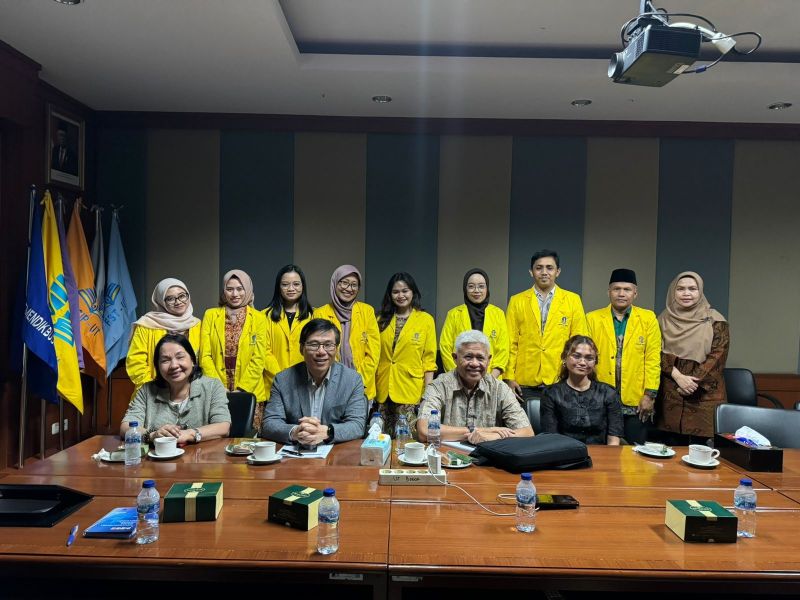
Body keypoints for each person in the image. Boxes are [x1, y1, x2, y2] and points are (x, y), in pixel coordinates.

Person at [261, 318, 368, 445]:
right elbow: (269, 423)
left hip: (335, 455)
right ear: (301, 348)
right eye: (313, 344)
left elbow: (357, 425)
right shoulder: (283, 380)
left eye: (328, 345)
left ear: (336, 349)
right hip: (295, 454)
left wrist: (327, 432)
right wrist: (295, 432)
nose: (321, 352)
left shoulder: (352, 380)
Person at [586, 269, 661, 445]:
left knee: (635, 455)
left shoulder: (648, 319)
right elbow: (586, 359)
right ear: (608, 292)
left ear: (635, 293)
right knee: (600, 453)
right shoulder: (592, 319)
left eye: (627, 289)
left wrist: (649, 395)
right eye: (616, 289)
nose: (621, 293)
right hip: (599, 398)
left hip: (636, 401)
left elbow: (652, 360)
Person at [418, 330, 533, 444]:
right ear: (455, 358)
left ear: (488, 360)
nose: (474, 363)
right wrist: (481, 431)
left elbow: (527, 432)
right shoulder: (439, 386)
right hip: (448, 457)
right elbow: (424, 430)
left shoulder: (500, 389)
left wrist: (493, 436)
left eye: (480, 358)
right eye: (468, 357)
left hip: (489, 459)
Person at [505, 250, 588, 403]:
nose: (544, 272)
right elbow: (510, 342)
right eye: (539, 268)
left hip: (561, 379)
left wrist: (575, 377)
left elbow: (579, 344)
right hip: (524, 382)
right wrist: (509, 378)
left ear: (558, 271)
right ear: (531, 272)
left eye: (549, 268)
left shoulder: (572, 300)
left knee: (558, 426)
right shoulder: (517, 301)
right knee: (525, 426)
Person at [657, 271, 729, 443]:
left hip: (703, 394)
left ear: (700, 291)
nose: (686, 293)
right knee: (669, 450)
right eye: (680, 289)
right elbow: (654, 352)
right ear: (673, 292)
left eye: (692, 289)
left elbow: (718, 356)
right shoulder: (662, 319)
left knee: (702, 452)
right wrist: (678, 377)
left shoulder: (716, 320)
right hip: (671, 392)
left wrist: (691, 383)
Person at [120, 334, 231, 444]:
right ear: (158, 366)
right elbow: (126, 427)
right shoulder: (147, 390)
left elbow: (223, 426)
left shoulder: (213, 386)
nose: (174, 365)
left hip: (201, 459)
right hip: (157, 459)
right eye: (165, 360)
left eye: (180, 357)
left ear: (192, 360)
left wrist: (190, 434)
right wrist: (151, 435)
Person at [375, 272, 437, 436]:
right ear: (390, 295)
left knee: (407, 441)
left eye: (405, 291)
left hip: (409, 388)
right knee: (381, 439)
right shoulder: (380, 319)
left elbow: (429, 360)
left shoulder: (425, 320)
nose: (400, 295)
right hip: (383, 388)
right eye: (396, 292)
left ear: (413, 292)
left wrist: (428, 393)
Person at [199, 269, 267, 406]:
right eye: (229, 289)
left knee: (248, 427)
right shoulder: (210, 315)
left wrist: (242, 389)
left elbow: (259, 358)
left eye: (240, 289)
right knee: (219, 426)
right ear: (224, 291)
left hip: (250, 391)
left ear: (247, 290)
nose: (235, 294)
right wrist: (218, 386)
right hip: (217, 389)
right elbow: (204, 356)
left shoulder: (259, 318)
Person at [540, 335, 623, 445]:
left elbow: (614, 440)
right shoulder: (551, 393)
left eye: (589, 358)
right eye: (576, 356)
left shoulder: (608, 393)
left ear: (595, 362)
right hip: (563, 455)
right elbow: (550, 439)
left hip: (602, 456)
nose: (583, 362)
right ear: (564, 357)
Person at [313, 265, 380, 401]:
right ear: (335, 283)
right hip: (329, 386)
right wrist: (336, 381)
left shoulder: (367, 312)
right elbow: (318, 352)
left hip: (361, 386)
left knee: (358, 422)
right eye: (344, 283)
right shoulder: (320, 313)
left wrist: (356, 381)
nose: (349, 288)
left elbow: (373, 352)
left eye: (354, 285)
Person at [126, 278, 202, 393]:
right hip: (154, 393)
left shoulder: (198, 325)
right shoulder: (146, 325)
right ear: (161, 301)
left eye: (182, 296)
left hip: (191, 393)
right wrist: (155, 389)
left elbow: (202, 360)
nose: (178, 302)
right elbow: (135, 362)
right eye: (170, 299)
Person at [261, 265, 314, 427]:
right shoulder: (265, 315)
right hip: (273, 382)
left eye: (296, 284)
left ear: (303, 286)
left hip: (305, 381)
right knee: (277, 431)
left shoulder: (313, 315)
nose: (291, 288)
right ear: (279, 287)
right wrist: (283, 377)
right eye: (285, 284)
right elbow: (264, 350)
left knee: (304, 430)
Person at [439, 268, 509, 378]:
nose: (477, 290)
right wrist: (459, 376)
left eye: (481, 286)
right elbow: (445, 347)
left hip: (491, 380)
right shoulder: (453, 314)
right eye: (471, 286)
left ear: (487, 288)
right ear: (465, 289)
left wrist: (489, 379)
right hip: (459, 381)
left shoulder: (498, 314)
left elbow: (503, 350)